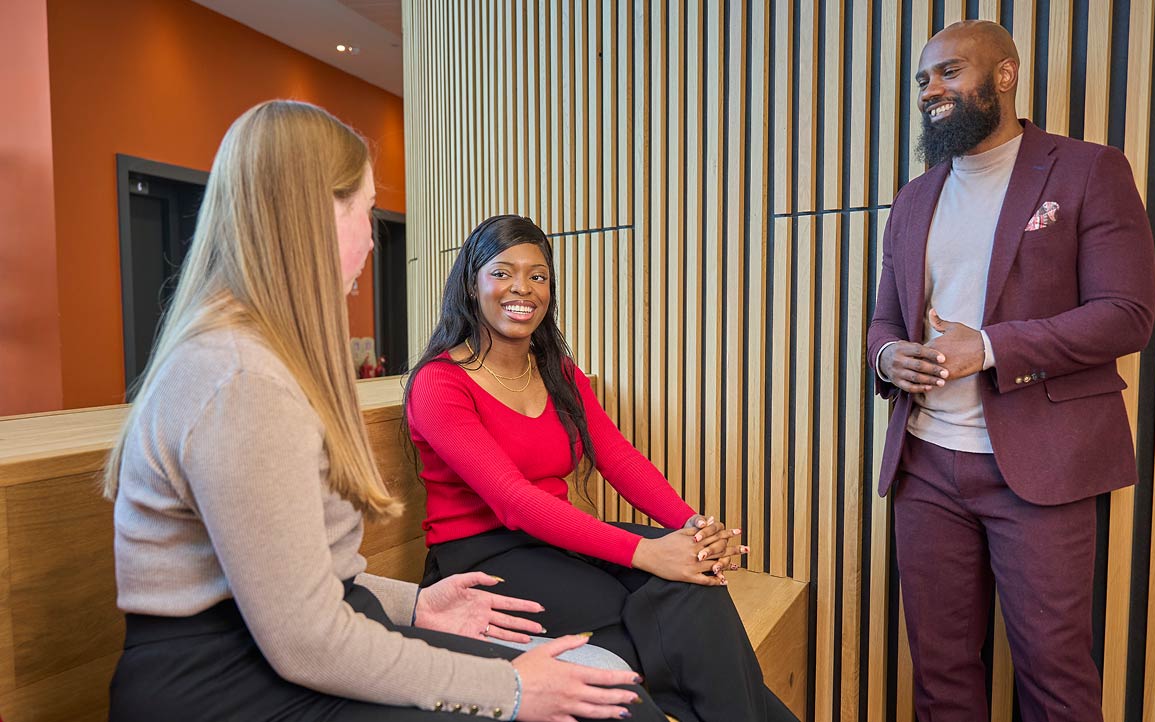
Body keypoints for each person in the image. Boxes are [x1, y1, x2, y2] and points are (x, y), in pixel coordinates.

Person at [104, 100, 665, 722]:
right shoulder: (239, 379)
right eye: (363, 211)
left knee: (611, 689)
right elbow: (305, 640)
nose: (373, 237)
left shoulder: (259, 359)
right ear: (310, 214)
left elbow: (298, 584)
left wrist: (417, 607)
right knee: (606, 705)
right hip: (222, 686)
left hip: (279, 650)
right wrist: (509, 689)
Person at [867, 21, 1155, 722]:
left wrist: (990, 348)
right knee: (939, 676)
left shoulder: (1088, 169)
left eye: (950, 73)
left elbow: (1127, 314)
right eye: (923, 79)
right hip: (926, 468)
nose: (931, 90)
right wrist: (886, 356)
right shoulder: (913, 199)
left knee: (1054, 674)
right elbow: (884, 320)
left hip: (1041, 470)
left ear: (1005, 75)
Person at [404, 215, 798, 722]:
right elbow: (514, 500)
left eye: (538, 275)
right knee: (663, 622)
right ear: (472, 283)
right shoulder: (440, 384)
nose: (522, 288)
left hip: (555, 541)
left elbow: (617, 458)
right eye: (502, 272)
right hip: (482, 557)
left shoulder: (558, 372)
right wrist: (646, 552)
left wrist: (691, 528)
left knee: (695, 584)